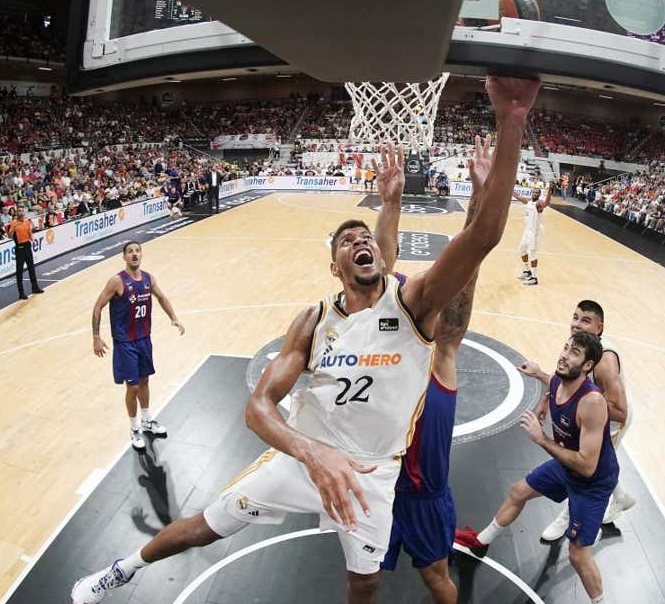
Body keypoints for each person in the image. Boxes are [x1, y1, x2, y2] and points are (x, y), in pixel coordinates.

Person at [70, 75, 540, 604]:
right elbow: (258, 408)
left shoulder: (415, 305)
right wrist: (311, 454)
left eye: (367, 238)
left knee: (363, 583)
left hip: (372, 476)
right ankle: (123, 569)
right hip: (300, 461)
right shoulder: (313, 321)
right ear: (334, 264)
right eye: (348, 241)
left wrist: (512, 120)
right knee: (208, 522)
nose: (360, 242)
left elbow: (483, 236)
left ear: (380, 256)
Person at [371, 135, 494, 603]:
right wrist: (391, 204)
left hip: (423, 496)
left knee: (436, 579)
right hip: (377, 485)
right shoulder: (383, 339)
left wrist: (479, 200)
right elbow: (382, 271)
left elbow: (466, 271)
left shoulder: (442, 351)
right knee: (363, 579)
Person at [455, 331, 617, 603]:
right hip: (567, 466)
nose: (564, 354)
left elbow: (588, 466)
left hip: (592, 484)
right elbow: (553, 382)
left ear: (588, 365)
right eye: (565, 347)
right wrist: (538, 375)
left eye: (574, 353)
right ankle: (481, 543)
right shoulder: (560, 379)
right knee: (518, 491)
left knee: (578, 555)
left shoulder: (592, 403)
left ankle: (600, 600)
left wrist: (541, 439)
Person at [537, 300, 634, 543]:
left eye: (585, 320)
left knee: (584, 469)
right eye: (575, 317)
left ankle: (566, 518)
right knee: (593, 464)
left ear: (599, 328)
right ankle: (621, 497)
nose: (576, 324)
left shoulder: (604, 360)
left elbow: (620, 411)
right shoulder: (579, 347)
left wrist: (584, 407)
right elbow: (566, 380)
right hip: (590, 411)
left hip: (610, 419)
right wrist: (548, 398)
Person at [91, 242, 186, 450]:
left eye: (137, 251)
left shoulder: (148, 278)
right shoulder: (117, 281)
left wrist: (174, 318)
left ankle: (147, 421)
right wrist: (96, 337)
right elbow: (98, 306)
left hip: (144, 338)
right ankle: (134, 429)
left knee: (144, 381)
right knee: (132, 386)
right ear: (124, 257)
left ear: (141, 254)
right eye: (130, 252)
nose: (134, 255)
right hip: (125, 342)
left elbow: (161, 297)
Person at [515, 186, 551, 285]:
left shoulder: (538, 204)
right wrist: (507, 186)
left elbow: (547, 203)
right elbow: (517, 196)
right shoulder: (528, 202)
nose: (534, 194)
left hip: (535, 232)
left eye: (537, 193)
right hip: (528, 230)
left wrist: (550, 191)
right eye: (533, 192)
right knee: (522, 250)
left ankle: (534, 278)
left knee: (532, 253)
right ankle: (527, 271)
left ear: (539, 194)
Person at [7, 207, 43, 300]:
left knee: (31, 268)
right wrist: (13, 229)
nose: (21, 212)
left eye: (22, 211)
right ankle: (21, 293)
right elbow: (10, 236)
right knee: (19, 271)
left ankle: (35, 288)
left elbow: (29, 233)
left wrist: (33, 239)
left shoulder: (27, 221)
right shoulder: (14, 223)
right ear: (17, 213)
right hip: (19, 248)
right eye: (19, 211)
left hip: (27, 246)